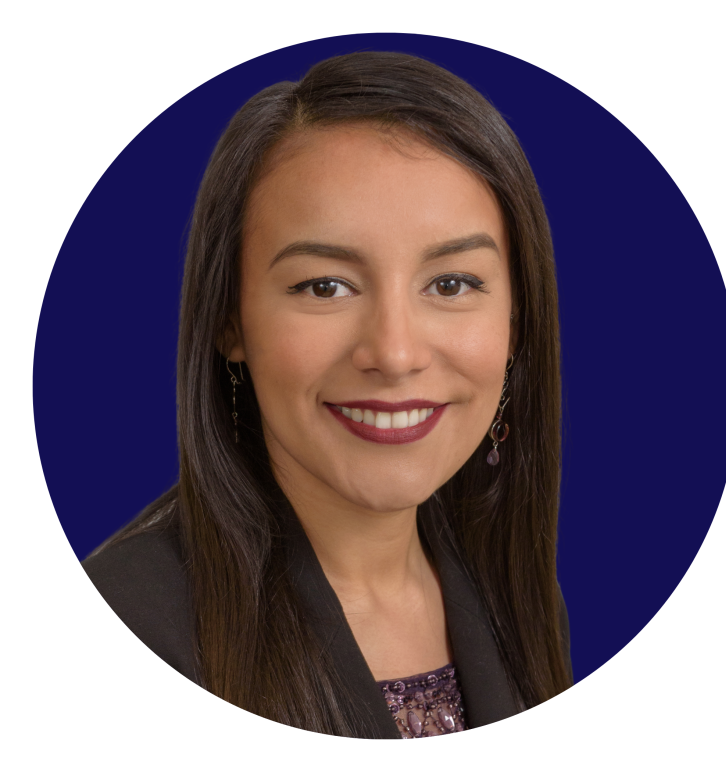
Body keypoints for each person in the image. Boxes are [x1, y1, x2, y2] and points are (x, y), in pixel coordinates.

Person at [81, 50, 573, 739]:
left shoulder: (517, 597)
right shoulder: (135, 616)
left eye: (452, 284)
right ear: (231, 320)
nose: (396, 354)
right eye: (324, 286)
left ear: (516, 322)